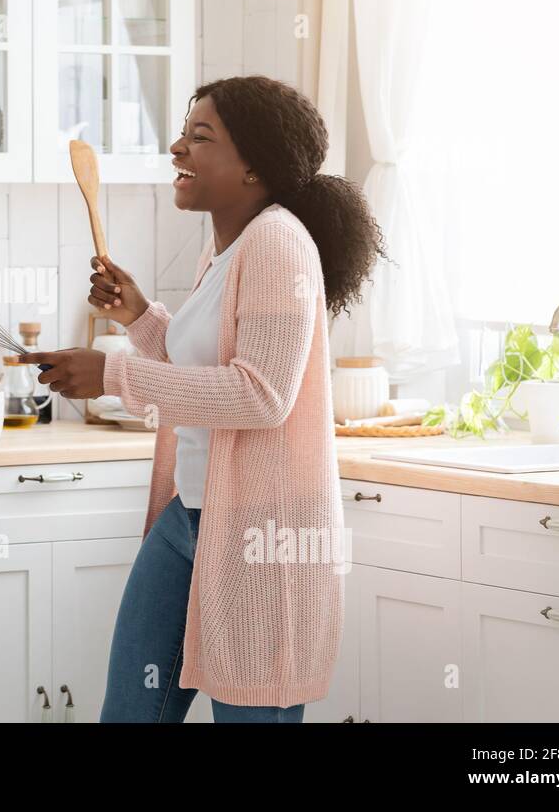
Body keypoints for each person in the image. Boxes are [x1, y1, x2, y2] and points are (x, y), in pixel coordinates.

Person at [21, 76, 385, 723]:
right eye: (184, 134)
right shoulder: (226, 249)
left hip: (262, 536)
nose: (176, 148)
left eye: (199, 137)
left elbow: (260, 395)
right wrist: (139, 317)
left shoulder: (278, 243)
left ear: (252, 166)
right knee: (130, 712)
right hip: (190, 523)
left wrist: (112, 374)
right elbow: (203, 373)